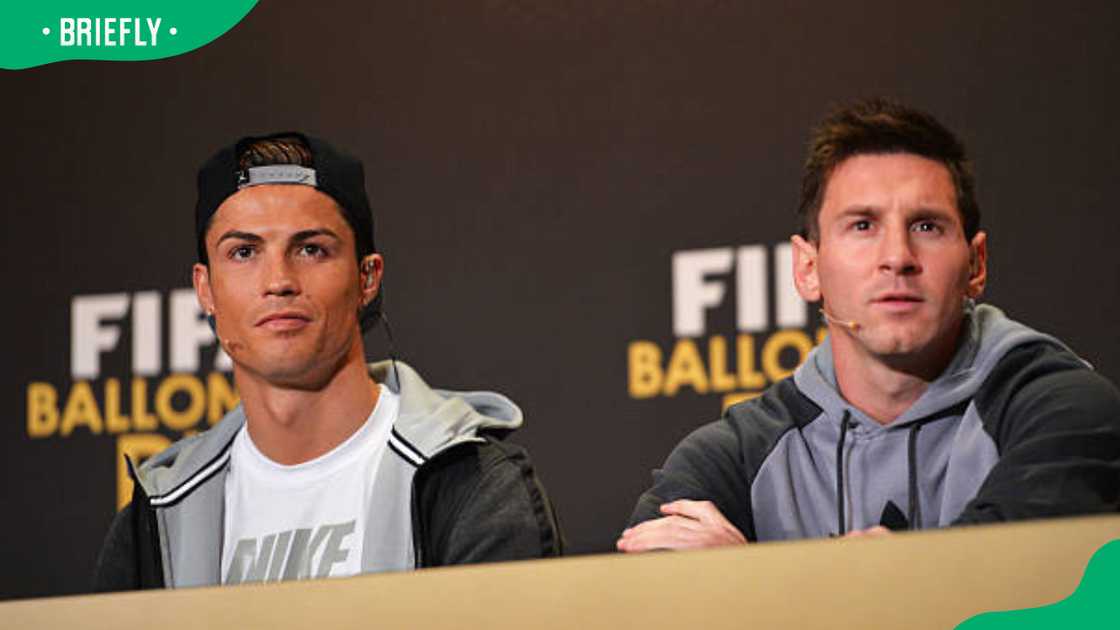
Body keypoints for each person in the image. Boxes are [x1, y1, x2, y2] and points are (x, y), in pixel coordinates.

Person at [618, 98, 1120, 552]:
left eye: (927, 226)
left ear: (976, 264)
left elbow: (1008, 586)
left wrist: (745, 578)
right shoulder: (738, 453)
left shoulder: (1065, 408)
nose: (897, 257)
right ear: (808, 268)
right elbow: (648, 590)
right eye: (863, 225)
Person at [94, 132, 562, 590]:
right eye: (244, 252)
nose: (278, 281)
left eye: (311, 249)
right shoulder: (154, 518)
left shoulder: (472, 484)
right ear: (205, 289)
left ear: (367, 278)